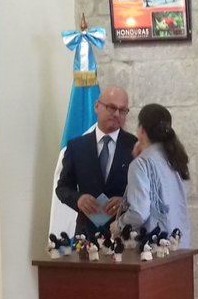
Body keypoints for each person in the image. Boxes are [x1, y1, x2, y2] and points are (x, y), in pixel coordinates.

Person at [55, 86, 137, 237]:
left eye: (122, 110)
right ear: (97, 106)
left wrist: (125, 202)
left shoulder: (135, 147)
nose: (116, 114)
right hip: (86, 234)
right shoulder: (76, 147)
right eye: (111, 108)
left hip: (124, 233)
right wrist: (78, 199)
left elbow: (147, 192)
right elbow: (63, 188)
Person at [117, 104, 192, 247]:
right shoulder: (176, 158)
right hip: (180, 244)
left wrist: (119, 224)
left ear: (141, 130)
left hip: (155, 246)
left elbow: (139, 213)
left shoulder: (141, 163)